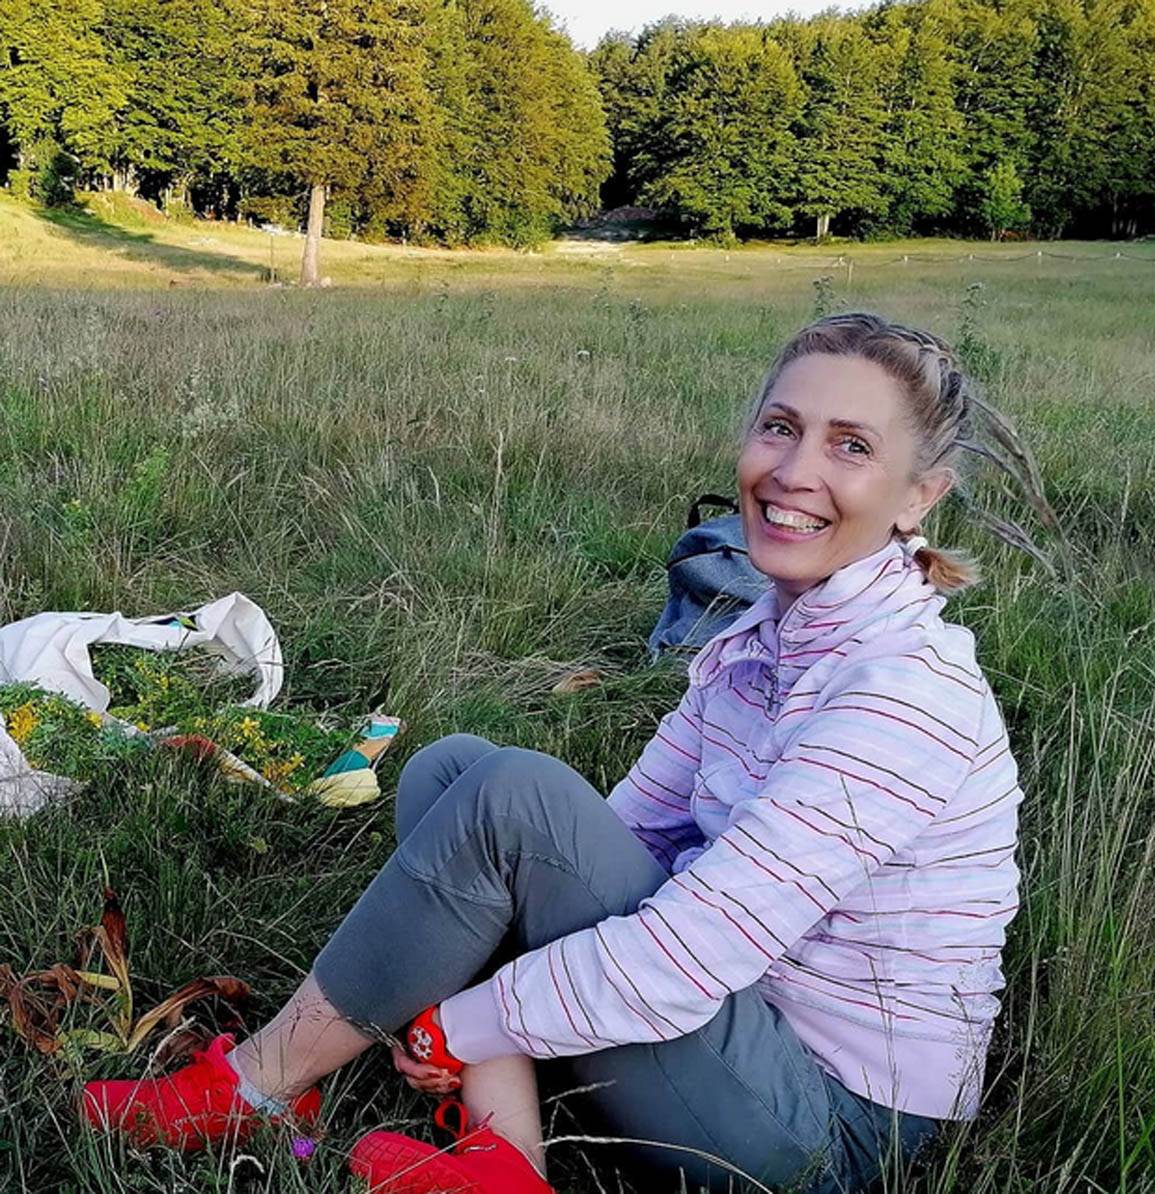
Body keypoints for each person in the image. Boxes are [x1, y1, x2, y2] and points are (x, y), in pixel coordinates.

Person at [83, 312, 1048, 1193]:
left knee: (511, 801)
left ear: (920, 496)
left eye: (851, 447)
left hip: (825, 1128)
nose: (795, 471)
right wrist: (496, 996)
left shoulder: (903, 694)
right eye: (780, 427)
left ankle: (260, 1086)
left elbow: (689, 955)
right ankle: (503, 1159)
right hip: (733, 1022)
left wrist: (453, 1022)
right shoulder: (759, 643)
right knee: (455, 773)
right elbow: (615, 839)